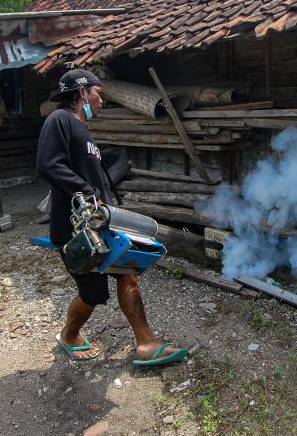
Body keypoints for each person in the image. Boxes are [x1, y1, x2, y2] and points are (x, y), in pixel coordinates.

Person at [36, 69, 187, 365]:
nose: (101, 99)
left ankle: (146, 343)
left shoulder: (84, 131)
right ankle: (68, 335)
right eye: (99, 92)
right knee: (92, 294)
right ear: (82, 93)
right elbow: (48, 165)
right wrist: (87, 191)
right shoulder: (59, 120)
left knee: (127, 271)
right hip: (76, 227)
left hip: (102, 222)